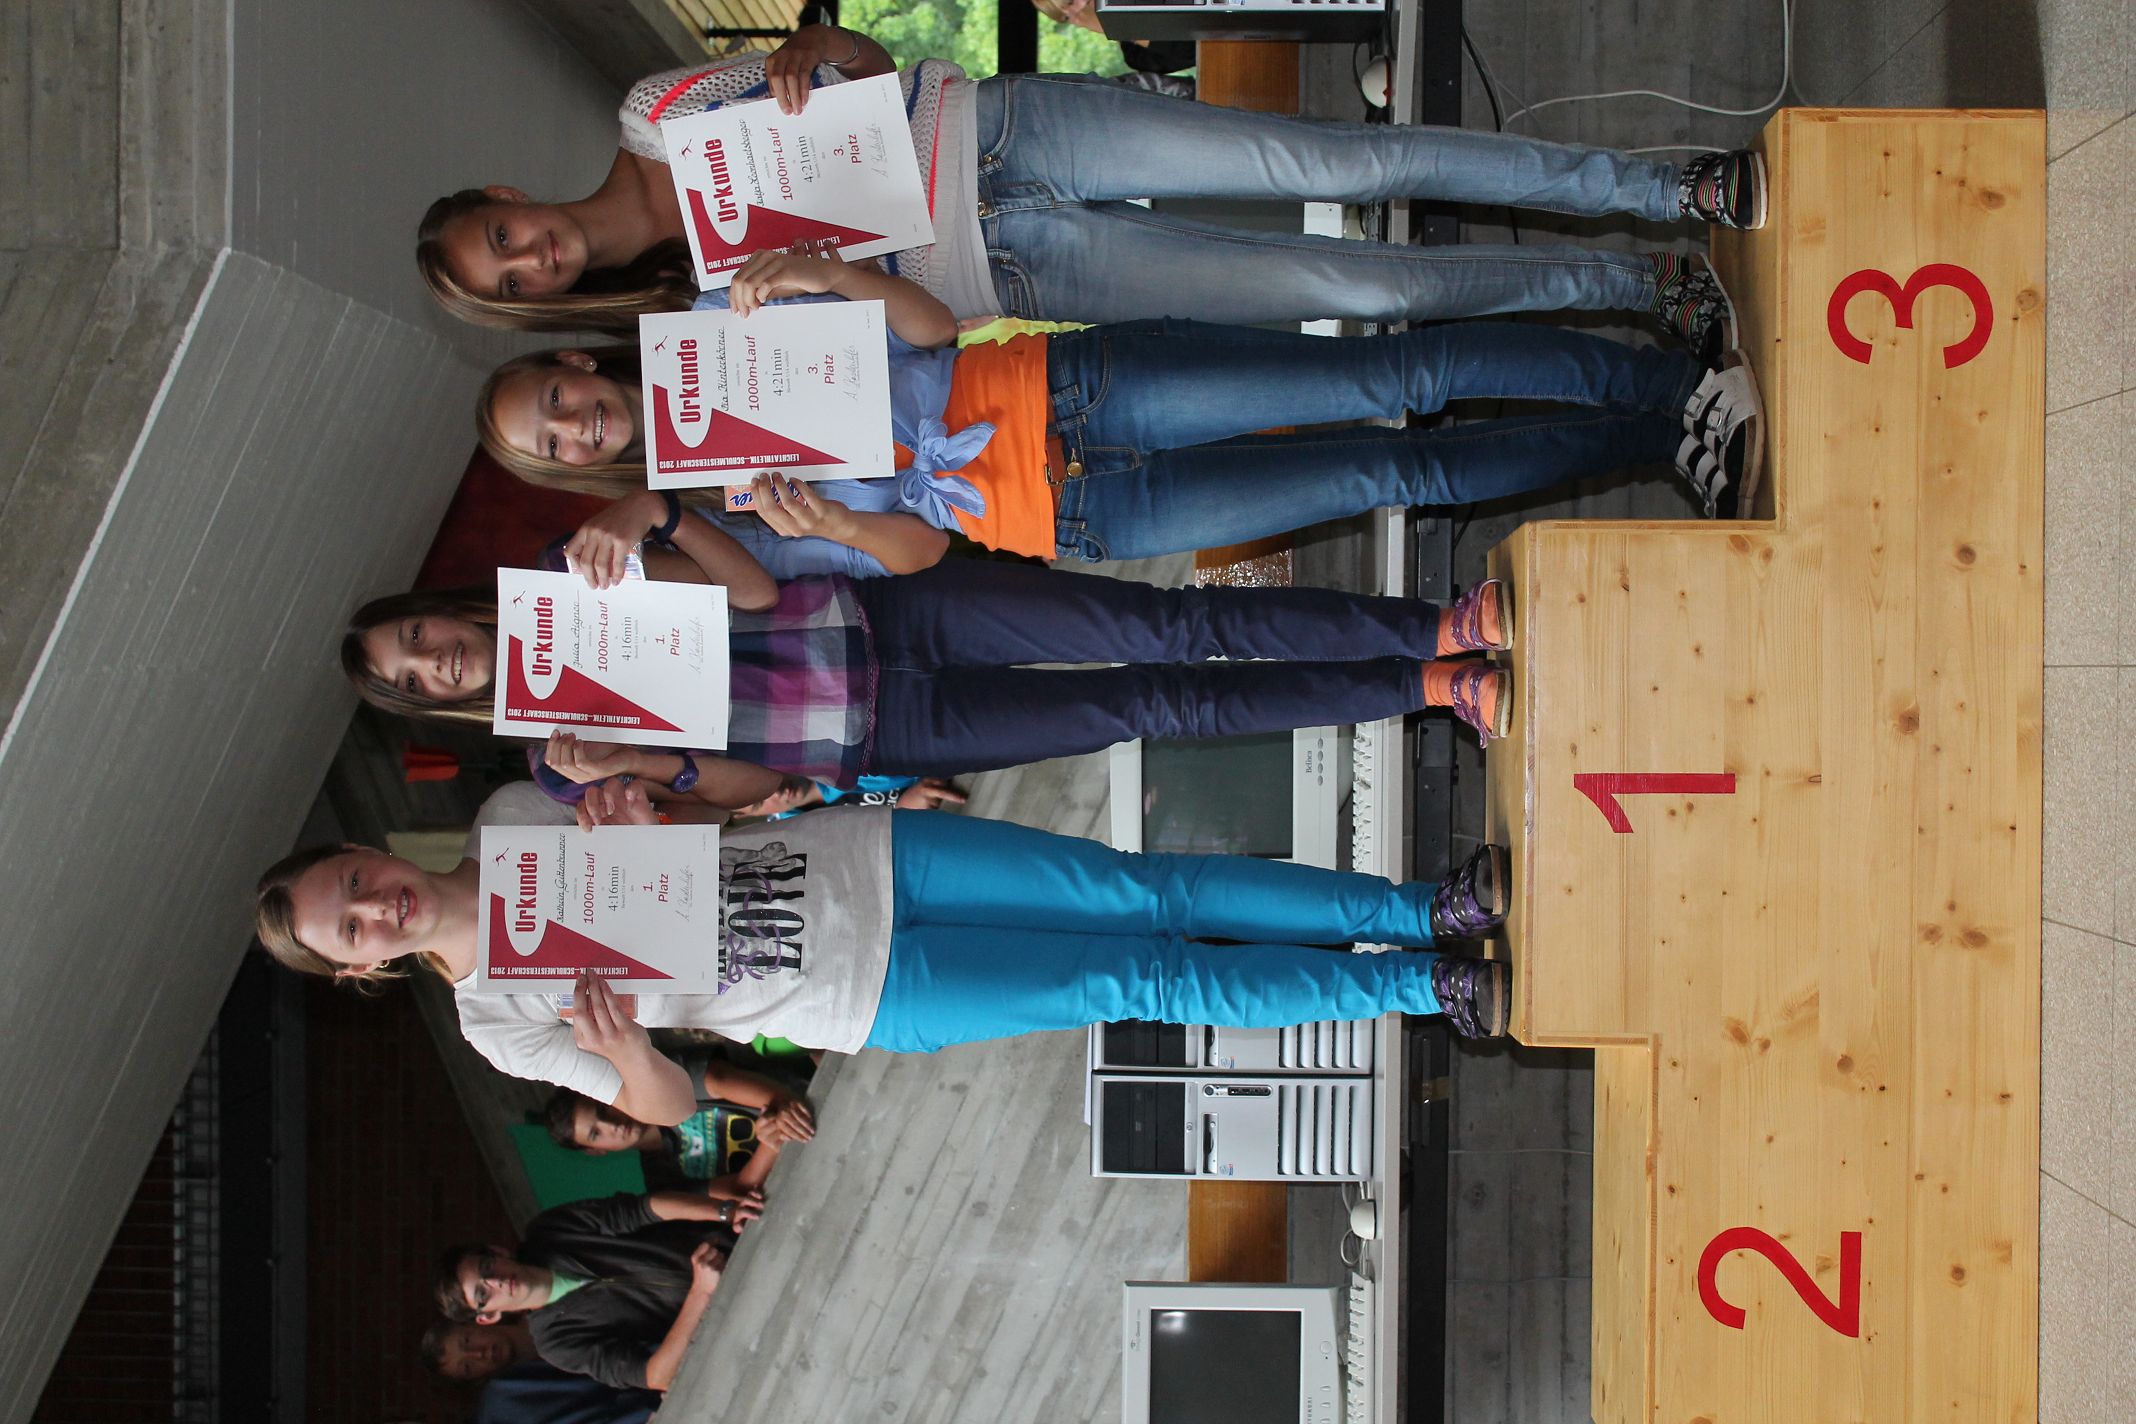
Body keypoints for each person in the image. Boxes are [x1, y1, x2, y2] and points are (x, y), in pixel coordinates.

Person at [253, 779, 1516, 1124]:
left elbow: (702, 811)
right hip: (863, 992)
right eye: (348, 929)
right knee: (1143, 974)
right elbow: (671, 1103)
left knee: (1143, 889)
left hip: (870, 857)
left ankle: (1424, 909)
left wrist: (645, 809)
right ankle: (1418, 983)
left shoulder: (511, 813)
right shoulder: (493, 1022)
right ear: (360, 969)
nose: (375, 908)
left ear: (367, 850)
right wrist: (629, 1047)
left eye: (353, 883)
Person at [413, 28, 1762, 336]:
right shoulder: (687, 325)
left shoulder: (651, 113)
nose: (532, 255)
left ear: (506, 194)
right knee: (1349, 287)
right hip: (1004, 270)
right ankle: (1635, 286)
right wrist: (818, 276)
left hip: (1002, 136)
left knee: (1339, 157)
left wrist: (808, 59)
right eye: (512, 279)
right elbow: (916, 345)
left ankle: (1667, 193)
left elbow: (859, 60)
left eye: (503, 234)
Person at [476, 247, 1762, 555]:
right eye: (553, 443)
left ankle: (1674, 382)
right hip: (1082, 521)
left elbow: (934, 326)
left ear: (579, 364)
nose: (575, 424)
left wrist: (821, 271)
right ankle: (1666, 436)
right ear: (567, 466)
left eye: (558, 397)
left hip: (1068, 385)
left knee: (1390, 377)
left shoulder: (724, 313)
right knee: (1397, 472)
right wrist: (834, 523)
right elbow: (919, 556)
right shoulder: (715, 510)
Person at [343, 506, 1524, 790]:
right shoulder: (557, 765)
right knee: (1158, 706)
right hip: (884, 734)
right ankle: (1426, 685)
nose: (432, 659)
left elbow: (753, 585)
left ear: (441, 607)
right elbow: (751, 793)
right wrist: (632, 763)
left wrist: (652, 518)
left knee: (1171, 624)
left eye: (417, 634)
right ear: (426, 702)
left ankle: (1430, 622)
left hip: (887, 616)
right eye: (411, 676)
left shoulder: (573, 568)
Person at [433, 1190, 737, 1391]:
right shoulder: (555, 1342)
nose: (496, 1282)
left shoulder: (548, 1232)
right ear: (488, 1316)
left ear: (498, 1252)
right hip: (729, 1317)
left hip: (735, 1240)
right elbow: (655, 1375)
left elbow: (643, 1208)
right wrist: (701, 1293)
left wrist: (724, 1211)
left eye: (487, 1268)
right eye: (483, 1295)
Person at [543, 1049, 815, 1200]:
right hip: (798, 1175)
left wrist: (781, 1109)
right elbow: (737, 1190)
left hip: (811, 1100)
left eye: (603, 1110)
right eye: (596, 1133)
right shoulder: (662, 1182)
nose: (610, 1124)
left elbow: (721, 1079)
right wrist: (770, 1145)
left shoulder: (658, 1083)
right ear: (596, 1151)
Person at [420, 1321, 662, 1424]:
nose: (478, 1354)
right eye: (467, 1367)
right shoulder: (503, 1397)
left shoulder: (505, 1394)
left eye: (467, 1341)